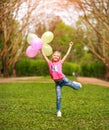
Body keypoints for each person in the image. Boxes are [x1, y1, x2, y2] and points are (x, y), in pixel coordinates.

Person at [41, 42, 82, 117]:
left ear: (59, 58)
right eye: (54, 55)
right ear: (52, 56)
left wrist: (70, 46)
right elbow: (43, 55)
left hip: (64, 80)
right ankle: (58, 111)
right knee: (58, 97)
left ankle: (75, 83)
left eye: (57, 56)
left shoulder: (60, 62)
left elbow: (66, 55)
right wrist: (41, 47)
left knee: (76, 88)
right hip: (57, 83)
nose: (56, 56)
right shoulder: (50, 63)